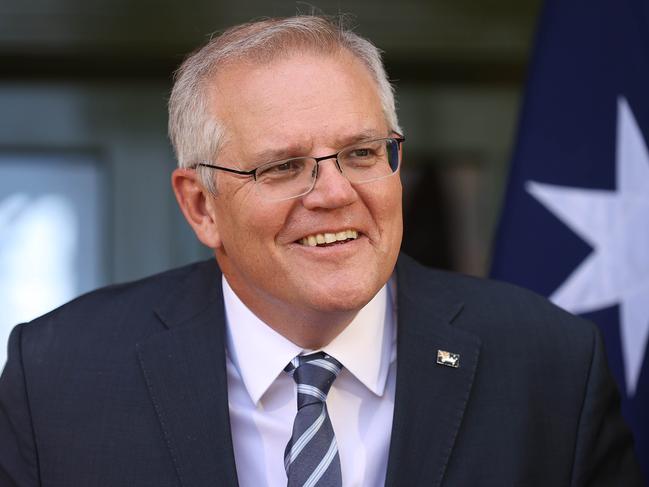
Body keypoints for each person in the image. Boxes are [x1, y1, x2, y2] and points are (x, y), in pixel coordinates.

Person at [0, 15, 643, 487]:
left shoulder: (551, 365)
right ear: (201, 206)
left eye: (362, 153)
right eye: (283, 166)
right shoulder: (57, 379)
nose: (334, 193)